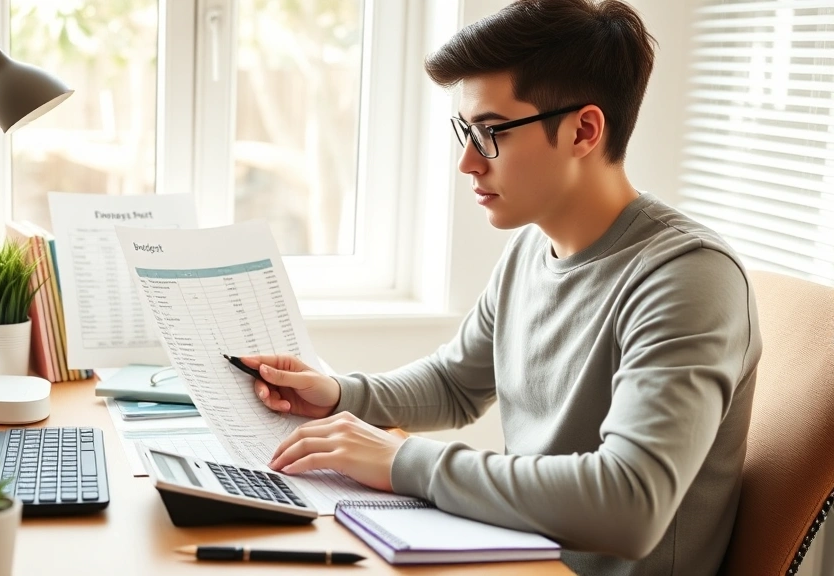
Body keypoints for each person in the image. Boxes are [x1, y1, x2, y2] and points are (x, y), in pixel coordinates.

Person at [240, 0, 762, 574]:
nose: (467, 162)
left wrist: (404, 460)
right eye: (465, 130)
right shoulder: (530, 248)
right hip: (518, 556)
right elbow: (456, 384)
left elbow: (630, 504)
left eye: (491, 132)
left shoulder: (688, 276)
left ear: (584, 130)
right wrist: (339, 394)